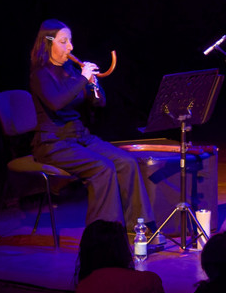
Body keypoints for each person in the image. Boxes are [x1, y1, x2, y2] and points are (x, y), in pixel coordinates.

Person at [28, 19, 149, 230]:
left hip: (80, 137)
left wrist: (94, 86)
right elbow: (56, 102)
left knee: (126, 162)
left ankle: (139, 228)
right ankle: (103, 233)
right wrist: (83, 79)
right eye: (64, 41)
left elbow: (99, 103)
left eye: (70, 41)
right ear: (48, 43)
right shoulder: (40, 74)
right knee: (102, 167)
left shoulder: (71, 70)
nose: (70, 47)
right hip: (53, 143)